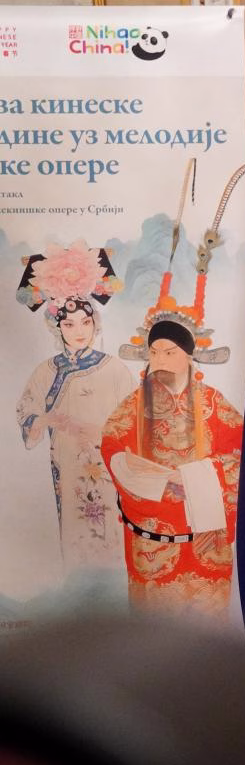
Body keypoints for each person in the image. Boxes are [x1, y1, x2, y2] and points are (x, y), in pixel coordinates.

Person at [102, 255, 244, 622]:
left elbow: (242, 454)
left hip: (205, 538)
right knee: (155, 635)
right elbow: (113, 450)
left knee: (206, 633)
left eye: (169, 352)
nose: (160, 359)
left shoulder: (214, 404)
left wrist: (195, 477)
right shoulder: (132, 407)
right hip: (152, 536)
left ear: (189, 357)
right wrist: (162, 481)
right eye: (153, 352)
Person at [15, 245, 129, 573]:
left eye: (85, 322)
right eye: (69, 325)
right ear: (57, 328)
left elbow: (131, 420)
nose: (79, 331)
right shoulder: (46, 371)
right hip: (66, 466)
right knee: (74, 537)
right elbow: (26, 411)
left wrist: (101, 434)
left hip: (107, 466)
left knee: (110, 533)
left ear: (95, 323)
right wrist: (47, 418)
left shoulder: (115, 369)